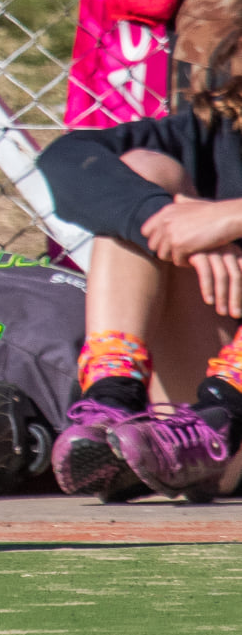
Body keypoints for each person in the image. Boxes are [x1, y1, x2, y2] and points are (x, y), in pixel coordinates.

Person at [38, 93, 242, 501]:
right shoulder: (216, 132)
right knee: (144, 170)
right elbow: (66, 160)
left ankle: (223, 415)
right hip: (209, 428)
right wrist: (167, 221)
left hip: (233, 414)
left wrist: (228, 216)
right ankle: (112, 400)